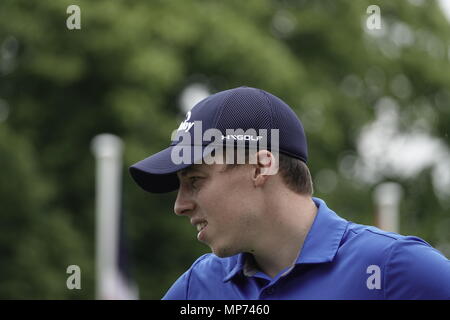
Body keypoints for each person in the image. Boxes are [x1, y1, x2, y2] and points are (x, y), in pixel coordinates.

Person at [129, 86, 450, 299]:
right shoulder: (195, 290)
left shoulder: (398, 270)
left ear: (259, 167)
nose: (180, 205)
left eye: (195, 180)